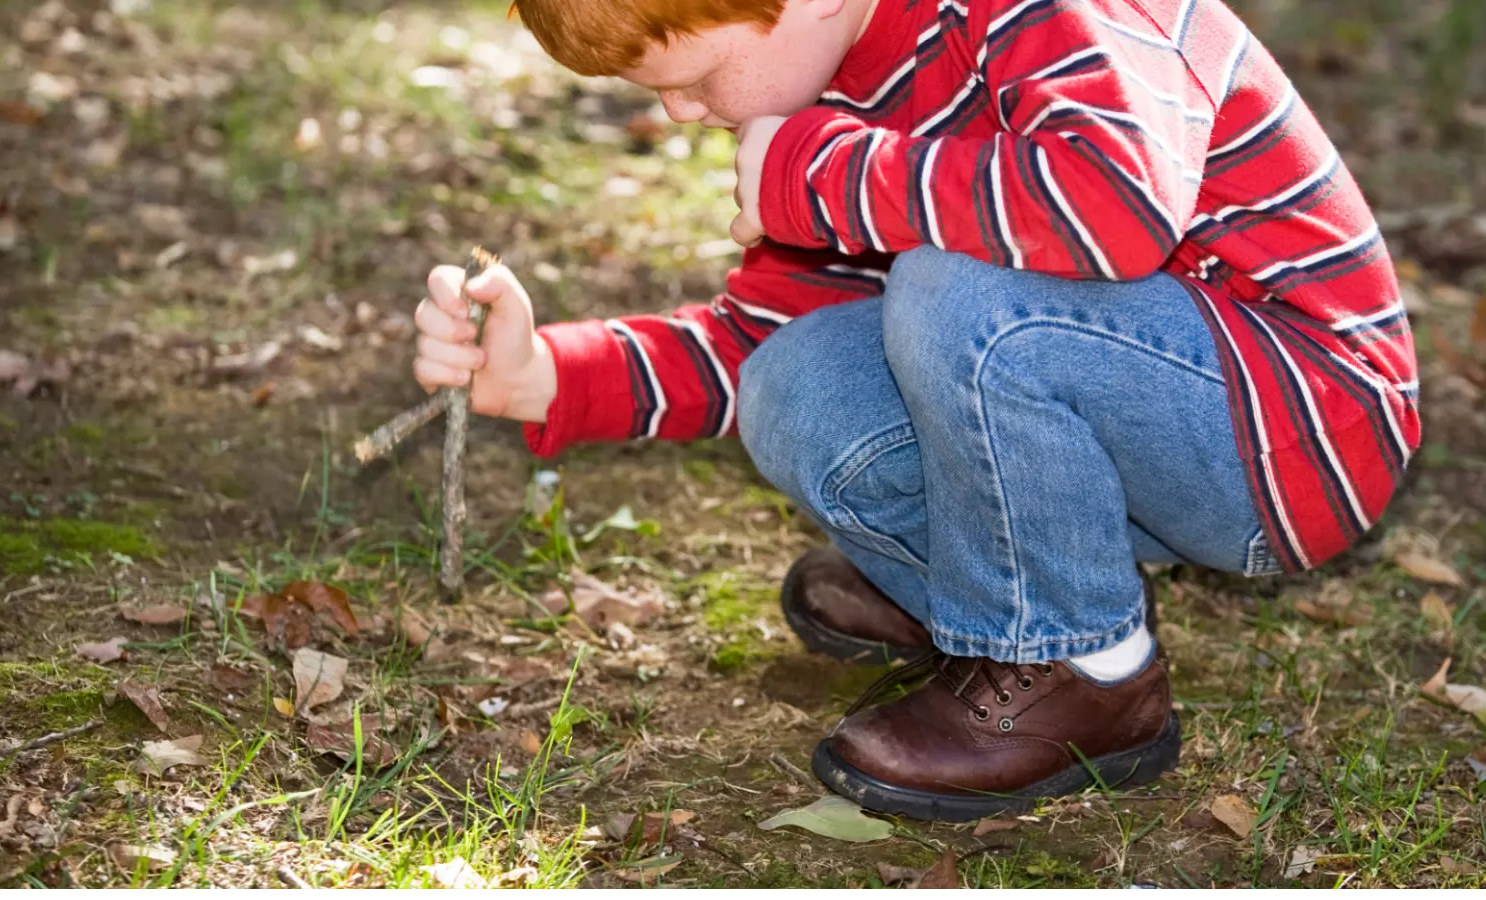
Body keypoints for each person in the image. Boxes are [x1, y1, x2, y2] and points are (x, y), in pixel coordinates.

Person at [411, 0, 1420, 821]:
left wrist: (824, 174)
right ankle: (995, 583)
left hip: (1293, 419)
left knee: (953, 290)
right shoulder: (838, 84)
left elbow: (1113, 205)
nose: (683, 115)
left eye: (699, 79)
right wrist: (544, 375)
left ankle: (1081, 668)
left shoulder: (1032, 11)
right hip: (1151, 414)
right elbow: (750, 345)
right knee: (795, 379)